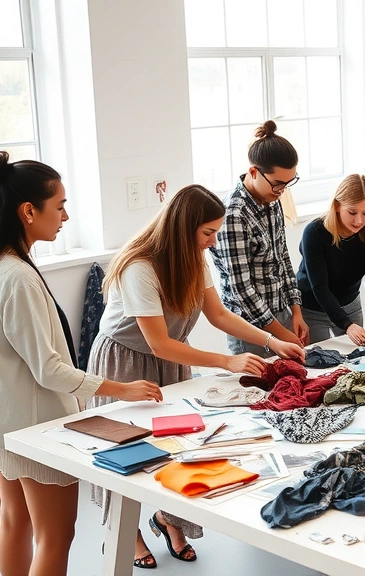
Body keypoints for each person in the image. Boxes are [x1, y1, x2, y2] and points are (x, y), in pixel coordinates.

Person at [0, 146, 161, 576]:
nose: (66, 216)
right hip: (33, 425)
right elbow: (48, 368)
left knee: (15, 523)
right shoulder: (17, 278)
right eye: (61, 206)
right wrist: (120, 388)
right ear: (28, 211)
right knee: (56, 535)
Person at [87, 185, 306, 569]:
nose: (214, 241)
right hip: (125, 361)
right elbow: (158, 344)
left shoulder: (194, 258)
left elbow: (219, 315)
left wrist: (273, 340)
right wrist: (227, 361)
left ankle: (170, 520)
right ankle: (124, 533)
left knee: (184, 446)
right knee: (123, 451)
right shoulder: (140, 267)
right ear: (181, 229)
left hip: (170, 361)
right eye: (208, 233)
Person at [210, 120, 309, 355]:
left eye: (288, 183)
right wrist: (281, 334)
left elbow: (283, 257)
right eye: (277, 184)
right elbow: (242, 288)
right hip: (250, 328)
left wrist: (296, 311)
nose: (282, 190)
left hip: (280, 311)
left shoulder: (271, 197)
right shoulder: (233, 215)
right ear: (254, 172)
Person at [296, 174, 365, 344]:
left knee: (358, 356)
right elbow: (320, 287)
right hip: (313, 309)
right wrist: (347, 325)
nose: (359, 220)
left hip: (350, 304)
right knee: (321, 360)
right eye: (352, 212)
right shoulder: (314, 232)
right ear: (337, 206)